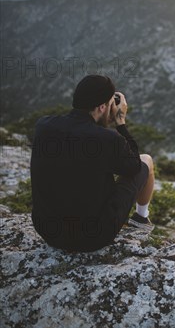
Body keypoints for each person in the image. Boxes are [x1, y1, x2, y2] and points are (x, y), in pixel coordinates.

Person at [30, 74, 155, 252]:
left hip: (47, 230)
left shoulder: (43, 126)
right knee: (145, 160)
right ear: (103, 107)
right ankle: (141, 218)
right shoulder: (108, 139)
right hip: (91, 237)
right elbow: (134, 167)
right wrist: (120, 122)